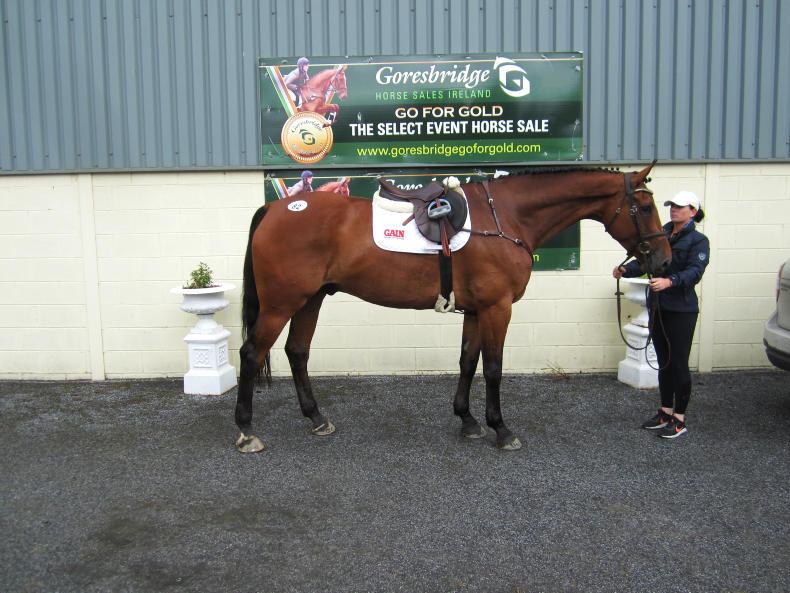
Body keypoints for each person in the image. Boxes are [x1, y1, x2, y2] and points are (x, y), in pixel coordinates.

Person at [613, 190, 710, 439]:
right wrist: (626, 269)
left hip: (681, 308)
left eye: (679, 206)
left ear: (693, 211)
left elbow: (695, 272)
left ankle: (679, 418)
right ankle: (665, 411)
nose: (673, 209)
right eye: (672, 206)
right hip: (658, 305)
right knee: (663, 362)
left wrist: (670, 282)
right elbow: (645, 262)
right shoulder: (663, 234)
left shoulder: (698, 241)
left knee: (678, 363)